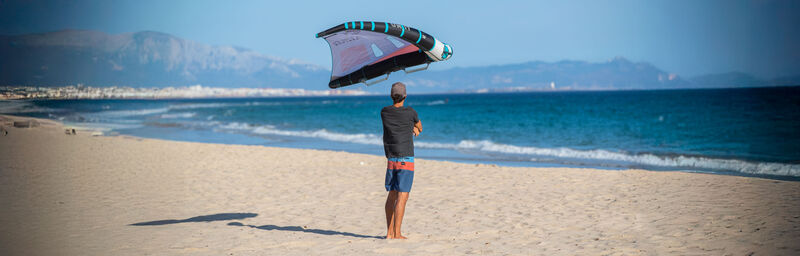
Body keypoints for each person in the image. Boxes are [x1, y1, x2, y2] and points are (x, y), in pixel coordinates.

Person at [381, 82, 422, 239]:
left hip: (391, 158)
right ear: (405, 96)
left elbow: (398, 121)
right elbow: (420, 127)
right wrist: (414, 128)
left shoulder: (384, 112)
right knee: (403, 196)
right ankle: (397, 233)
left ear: (391, 96)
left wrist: (410, 126)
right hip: (406, 158)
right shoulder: (410, 112)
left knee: (392, 194)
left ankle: (389, 232)